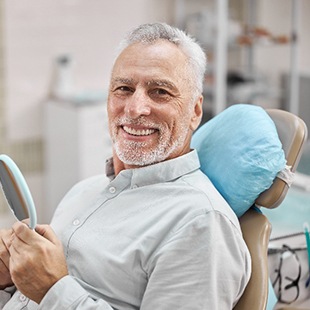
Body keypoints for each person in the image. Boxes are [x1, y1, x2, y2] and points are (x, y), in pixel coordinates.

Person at [0, 22, 251, 309]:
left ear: (195, 111)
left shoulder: (201, 223)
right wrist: (11, 281)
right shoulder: (84, 190)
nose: (134, 108)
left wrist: (53, 290)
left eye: (160, 92)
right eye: (124, 88)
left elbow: (50, 292)